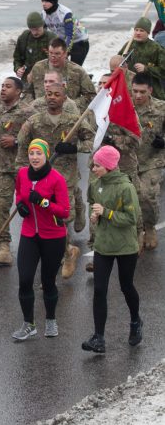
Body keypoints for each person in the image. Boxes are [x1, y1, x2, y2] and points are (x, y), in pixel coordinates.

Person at [16, 82, 95, 278]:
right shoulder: (34, 121)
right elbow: (22, 146)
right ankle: (67, 252)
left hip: (64, 177)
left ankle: (65, 255)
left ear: (64, 97)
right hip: (39, 178)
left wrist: (74, 148)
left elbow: (92, 140)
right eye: (48, 94)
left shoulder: (73, 120)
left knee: (60, 218)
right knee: (43, 219)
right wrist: (21, 181)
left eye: (56, 94)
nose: (52, 97)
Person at [82, 146, 142, 353]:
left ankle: (135, 322)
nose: (93, 168)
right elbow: (93, 204)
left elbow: (131, 218)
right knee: (99, 290)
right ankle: (99, 338)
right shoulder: (95, 184)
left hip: (125, 247)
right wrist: (94, 215)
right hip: (103, 246)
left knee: (126, 286)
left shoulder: (126, 187)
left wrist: (106, 213)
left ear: (108, 166)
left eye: (97, 165)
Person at [11, 140, 70, 341]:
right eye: (31, 153)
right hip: (29, 234)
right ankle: (29, 324)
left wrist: (44, 202)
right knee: (25, 279)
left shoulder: (56, 179)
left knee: (47, 281)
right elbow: (19, 192)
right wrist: (20, 204)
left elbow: (64, 210)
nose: (34, 157)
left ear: (46, 155)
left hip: (53, 236)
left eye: (39, 153)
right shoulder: (22, 174)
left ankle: (51, 319)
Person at [0, 77, 35, 265]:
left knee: (34, 208)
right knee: (0, 206)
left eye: (8, 87)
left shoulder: (29, 112)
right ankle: (3, 248)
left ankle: (54, 246)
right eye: (2, 86)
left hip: (25, 168)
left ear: (18, 91)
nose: (3, 89)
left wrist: (17, 141)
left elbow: (39, 139)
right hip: (2, 168)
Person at [133, 73, 165, 249]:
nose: (138, 95)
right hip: (128, 159)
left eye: (142, 92)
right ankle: (137, 232)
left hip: (152, 159)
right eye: (135, 91)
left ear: (150, 90)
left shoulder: (161, 108)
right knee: (131, 198)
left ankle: (150, 227)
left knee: (146, 195)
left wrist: (163, 142)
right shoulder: (125, 106)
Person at [27, 39, 97, 111]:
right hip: (40, 112)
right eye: (51, 53)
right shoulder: (38, 67)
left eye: (57, 54)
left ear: (65, 53)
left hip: (67, 113)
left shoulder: (77, 71)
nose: (53, 57)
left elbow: (91, 95)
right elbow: (28, 91)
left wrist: (70, 104)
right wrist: (31, 106)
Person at [39, 0, 89, 65]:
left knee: (73, 69)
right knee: (57, 66)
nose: (43, 3)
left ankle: (84, 76)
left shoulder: (65, 13)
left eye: (46, 1)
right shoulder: (43, 14)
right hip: (63, 40)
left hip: (79, 42)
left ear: (54, 1)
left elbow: (70, 35)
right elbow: (43, 32)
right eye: (42, 0)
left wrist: (65, 52)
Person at [118, 17, 165, 100]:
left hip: (152, 93)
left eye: (141, 31)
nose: (138, 33)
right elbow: (117, 62)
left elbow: (163, 71)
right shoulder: (129, 45)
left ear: (148, 33)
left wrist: (147, 69)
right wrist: (120, 63)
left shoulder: (156, 48)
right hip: (130, 91)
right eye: (136, 30)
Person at [13, 12, 57, 85]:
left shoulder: (52, 39)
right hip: (27, 79)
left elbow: (60, 61)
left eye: (37, 29)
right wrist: (18, 69)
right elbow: (17, 58)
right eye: (32, 29)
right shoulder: (24, 37)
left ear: (42, 25)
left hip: (47, 79)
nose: (34, 33)